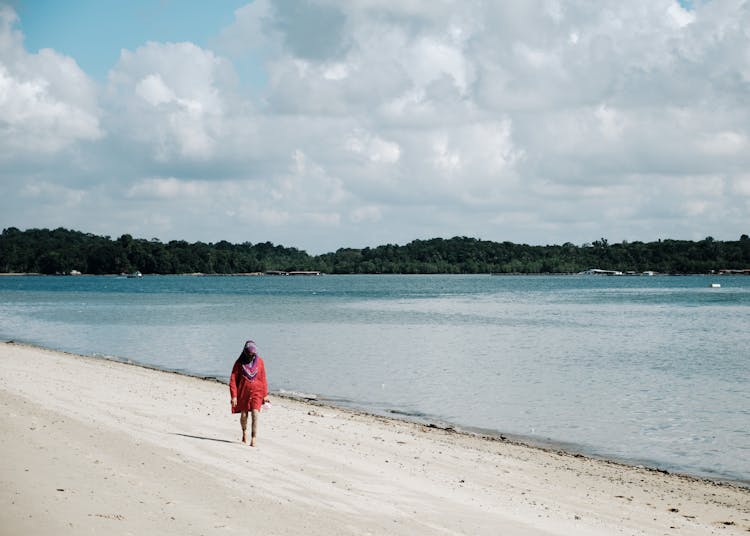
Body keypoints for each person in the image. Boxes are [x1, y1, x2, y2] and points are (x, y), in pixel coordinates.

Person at [229, 340, 269, 446]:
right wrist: (234, 396)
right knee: (244, 415)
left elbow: (263, 378)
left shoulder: (260, 362)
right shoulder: (239, 363)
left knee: (255, 414)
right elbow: (233, 380)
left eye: (253, 353)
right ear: (245, 352)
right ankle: (244, 431)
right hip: (243, 393)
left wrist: (265, 395)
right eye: (249, 353)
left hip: (257, 392)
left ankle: (253, 438)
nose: (251, 355)